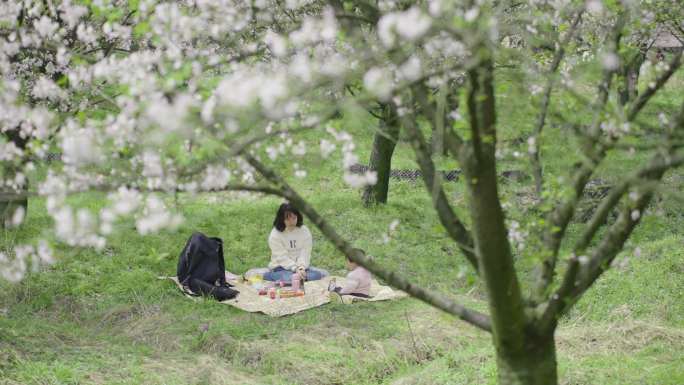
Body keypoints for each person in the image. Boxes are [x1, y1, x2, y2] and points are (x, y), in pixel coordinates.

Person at [263, 202, 327, 282]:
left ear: (298, 217)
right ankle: (270, 275)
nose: (291, 221)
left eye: (294, 218)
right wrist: (295, 268)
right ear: (282, 219)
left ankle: (299, 278)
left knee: (316, 275)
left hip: (300, 268)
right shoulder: (275, 234)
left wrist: (301, 268)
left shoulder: (304, 231)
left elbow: (305, 253)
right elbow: (281, 257)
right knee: (289, 277)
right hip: (281, 268)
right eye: (288, 219)